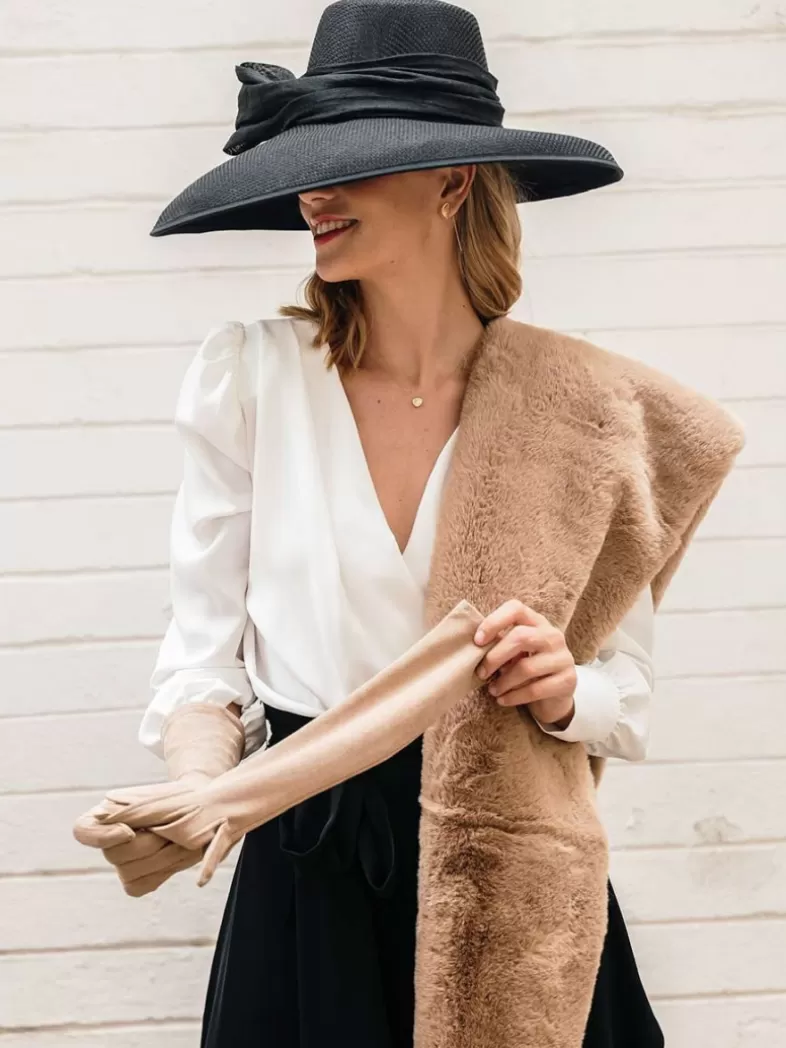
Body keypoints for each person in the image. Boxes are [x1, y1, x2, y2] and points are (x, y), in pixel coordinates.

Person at [73, 2, 746, 1046]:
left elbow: (628, 695)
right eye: (306, 165)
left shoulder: (579, 413)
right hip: (306, 864)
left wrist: (563, 689)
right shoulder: (252, 378)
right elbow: (203, 657)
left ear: (453, 182)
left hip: (511, 865)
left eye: (348, 162)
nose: (314, 192)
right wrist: (203, 789)